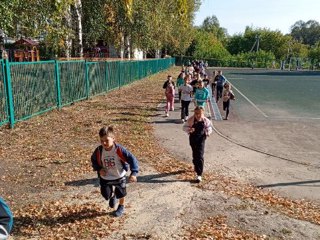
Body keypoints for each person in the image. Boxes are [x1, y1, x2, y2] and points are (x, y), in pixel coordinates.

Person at [91, 126, 139, 217]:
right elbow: (93, 160)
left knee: (121, 193)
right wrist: (99, 169)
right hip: (105, 177)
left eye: (106, 140)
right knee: (106, 195)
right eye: (101, 141)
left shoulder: (120, 150)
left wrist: (134, 173)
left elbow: (132, 159)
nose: (104, 143)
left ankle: (121, 206)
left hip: (119, 175)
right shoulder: (98, 150)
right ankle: (112, 196)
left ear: (113, 139)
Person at [183, 106, 213, 183]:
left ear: (202, 113)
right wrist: (189, 129)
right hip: (193, 139)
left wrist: (208, 132)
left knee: (200, 155)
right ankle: (195, 165)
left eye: (199, 113)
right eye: (196, 113)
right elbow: (184, 127)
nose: (198, 115)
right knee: (195, 154)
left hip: (201, 139)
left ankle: (199, 174)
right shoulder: (191, 120)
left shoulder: (206, 120)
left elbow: (209, 128)